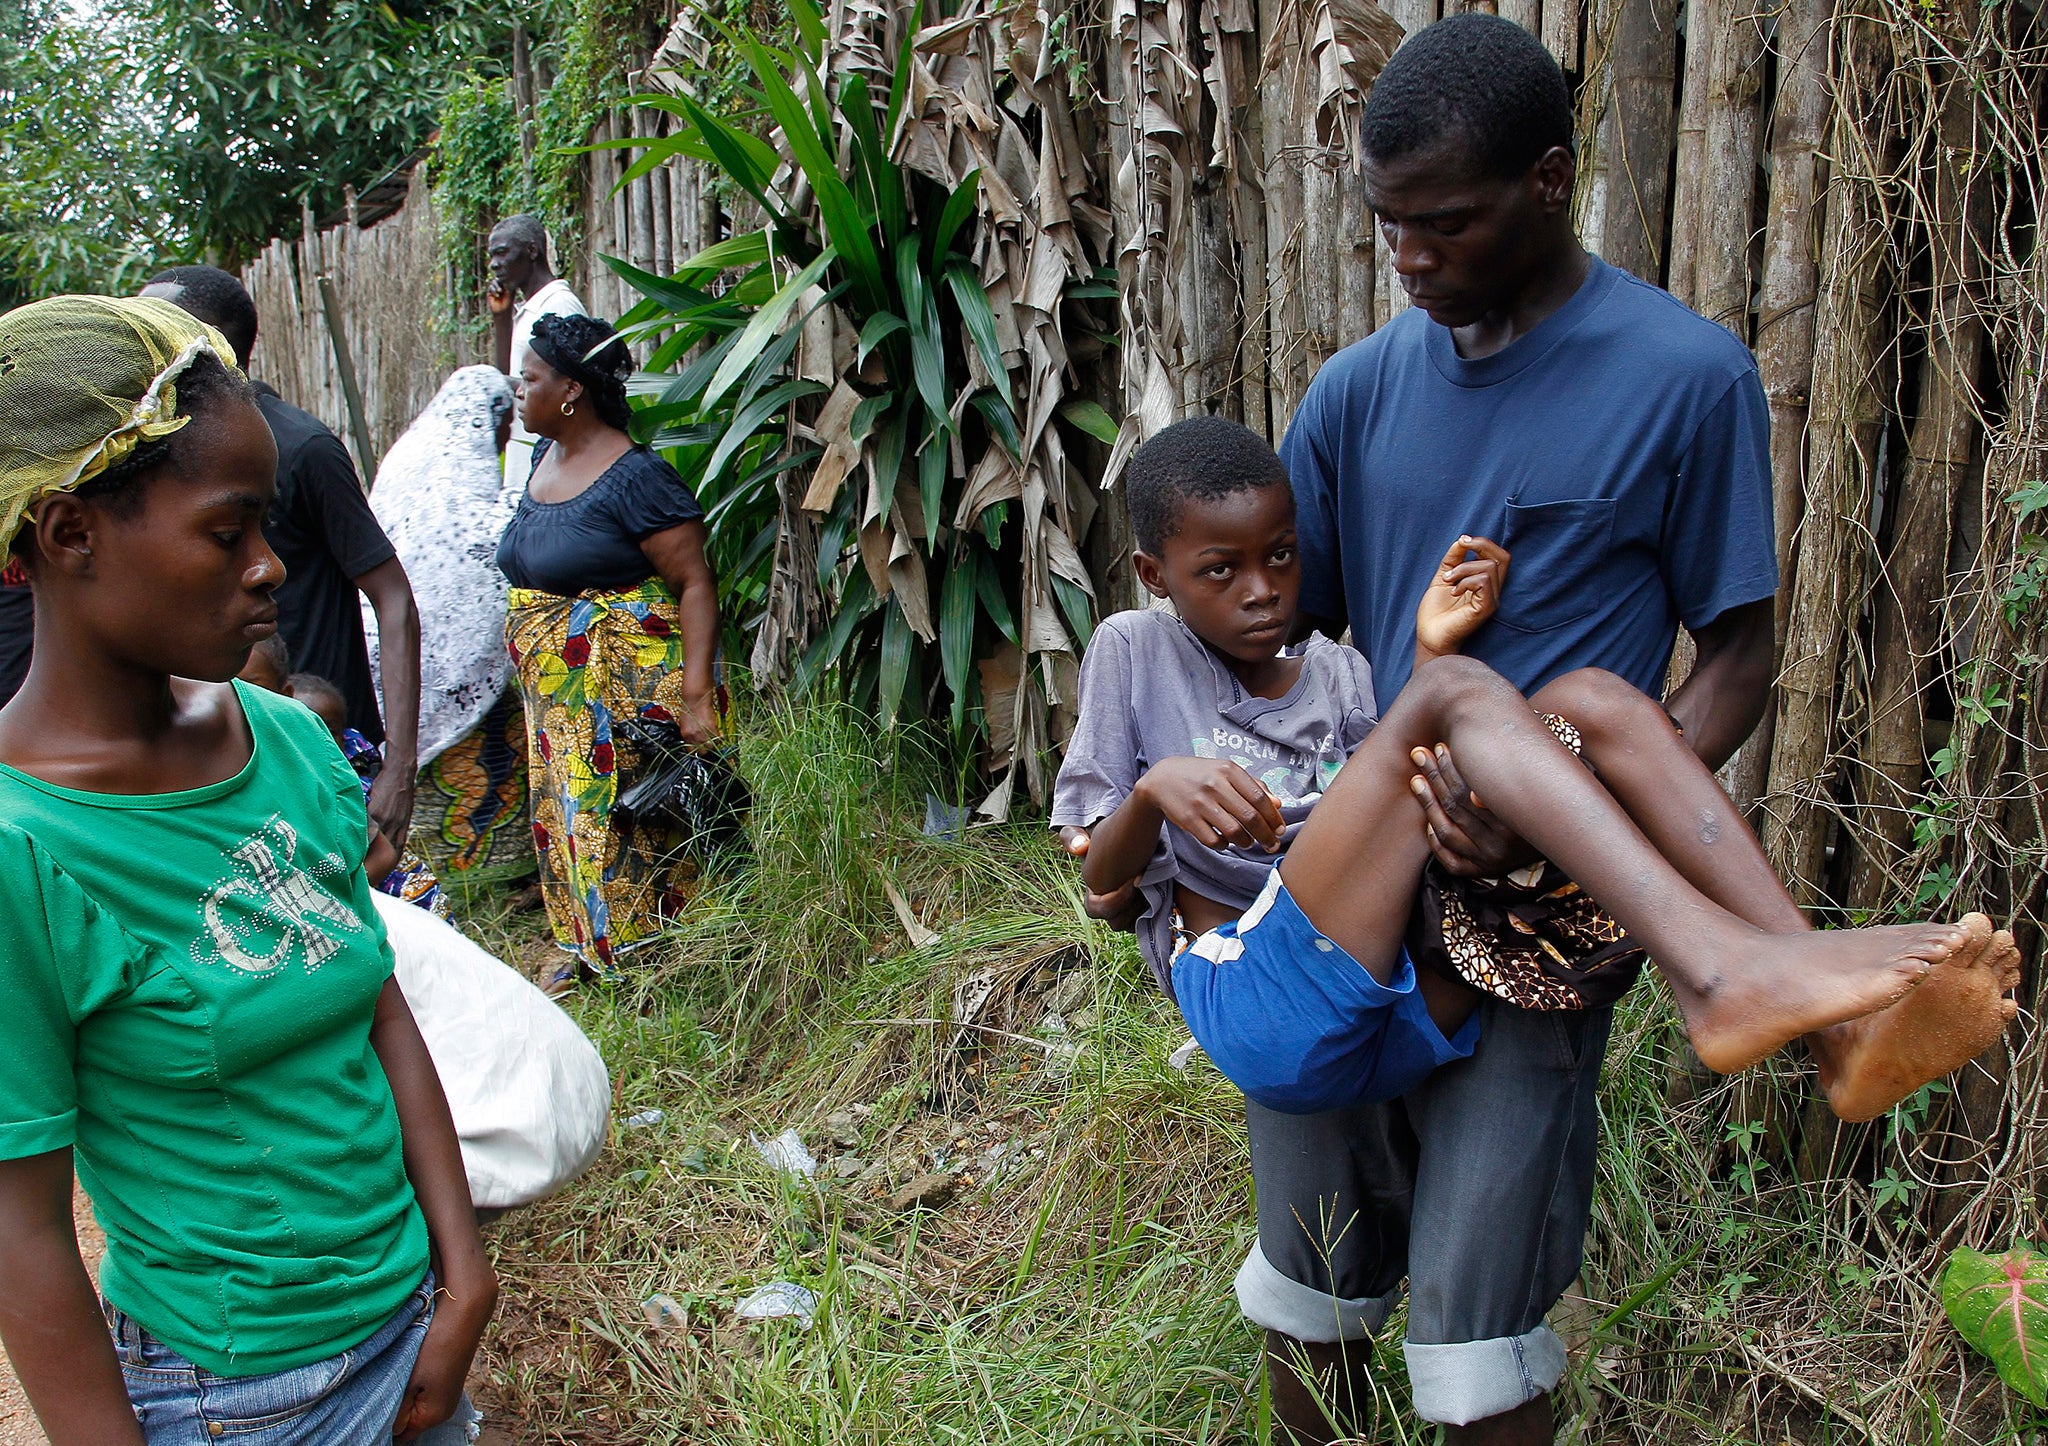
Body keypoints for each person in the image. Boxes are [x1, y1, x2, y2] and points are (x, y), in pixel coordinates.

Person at [1182, 17, 2016, 1441]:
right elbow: (1272, 642)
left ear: (1551, 177)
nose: (1412, 261)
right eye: (1391, 230)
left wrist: (1545, 803)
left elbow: (1739, 657)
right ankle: (1753, 977)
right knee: (1312, 1277)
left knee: (1476, 1325)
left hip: (1543, 917)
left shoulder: (1683, 379)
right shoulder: (1356, 393)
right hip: (1358, 894)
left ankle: (1766, 987)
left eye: (1444, 224)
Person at [1058, 415, 2014, 1108]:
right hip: (1255, 997)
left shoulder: (1340, 673)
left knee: (1594, 698)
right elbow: (1103, 891)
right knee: (1455, 696)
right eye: (1221, 572)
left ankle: (1834, 1037)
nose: (1262, 592)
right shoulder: (1135, 653)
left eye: (1281, 557)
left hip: (1393, 1008)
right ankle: (1719, 973)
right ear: (1156, 577)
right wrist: (1152, 793)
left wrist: (1433, 649)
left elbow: (1391, 807)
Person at [0, 294, 491, 1442]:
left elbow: (377, 1012)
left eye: (267, 527)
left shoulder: (287, 743)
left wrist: (461, 1275)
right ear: (71, 534)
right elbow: (23, 1233)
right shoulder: (25, 852)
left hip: (414, 1325)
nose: (271, 568)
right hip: (233, 1402)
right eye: (229, 534)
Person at [139, 264, 425, 853]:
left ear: (213, 340)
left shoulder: (303, 449)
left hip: (320, 744)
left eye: (157, 329)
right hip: (224, 746)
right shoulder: (160, 456)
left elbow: (393, 597)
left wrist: (399, 763)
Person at [497, 312, 721, 985]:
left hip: (622, 695)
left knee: (631, 821)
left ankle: (656, 962)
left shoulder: (637, 478)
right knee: (572, 818)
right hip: (560, 700)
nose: (518, 387)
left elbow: (694, 582)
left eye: (529, 378)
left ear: (570, 390)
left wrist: (696, 697)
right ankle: (591, 948)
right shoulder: (544, 457)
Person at [363, 366, 538, 887]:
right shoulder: (468, 487)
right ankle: (493, 871)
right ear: (492, 419)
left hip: (388, 646)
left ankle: (438, 865)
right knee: (486, 759)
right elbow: (486, 554)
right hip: (431, 642)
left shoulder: (407, 459)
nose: (507, 434)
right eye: (505, 422)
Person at [487, 215, 587, 483]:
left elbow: (569, 387)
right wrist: (502, 318)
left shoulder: (560, 306)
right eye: (491, 256)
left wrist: (492, 383)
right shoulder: (531, 310)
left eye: (501, 252)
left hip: (551, 462)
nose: (493, 264)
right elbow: (511, 379)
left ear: (532, 250)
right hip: (526, 456)